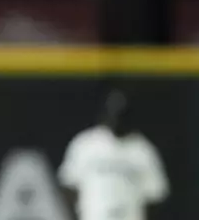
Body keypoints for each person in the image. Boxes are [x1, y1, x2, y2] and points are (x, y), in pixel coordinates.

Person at [58, 90, 168, 220]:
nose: (117, 118)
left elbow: (156, 195)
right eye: (114, 112)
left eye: (122, 113)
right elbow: (68, 185)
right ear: (105, 113)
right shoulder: (86, 144)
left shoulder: (142, 150)